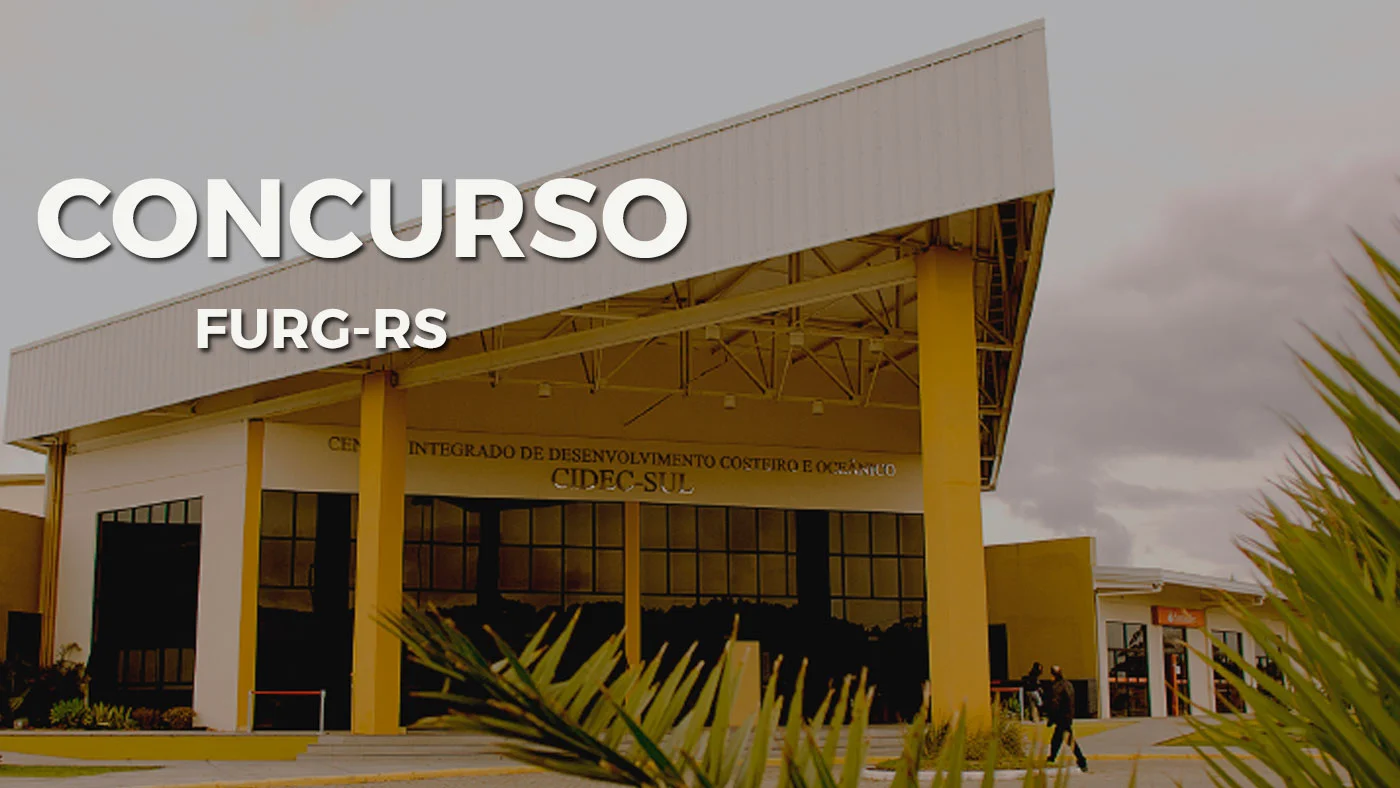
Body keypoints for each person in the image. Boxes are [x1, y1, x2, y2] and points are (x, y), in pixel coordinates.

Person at [1046, 665, 1088, 772]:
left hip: (1061, 717)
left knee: (1067, 740)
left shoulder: (1057, 687)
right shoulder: (1068, 684)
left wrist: (1051, 718)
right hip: (1068, 716)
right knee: (1057, 739)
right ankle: (1052, 757)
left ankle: (1081, 760)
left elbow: (1055, 703)